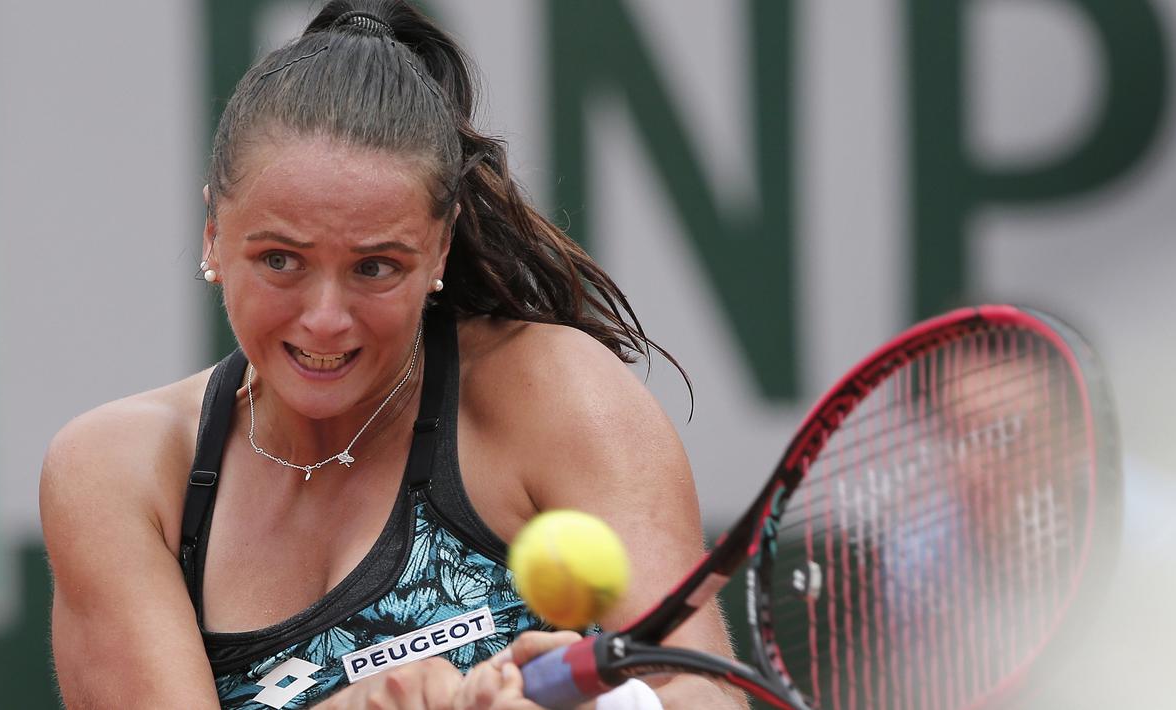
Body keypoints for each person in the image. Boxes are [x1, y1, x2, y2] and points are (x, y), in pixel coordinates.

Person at [39, 1, 742, 708]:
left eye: (374, 267)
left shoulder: (553, 390)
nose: (324, 319)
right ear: (213, 236)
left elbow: (700, 692)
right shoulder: (119, 475)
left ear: (439, 248)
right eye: (280, 259)